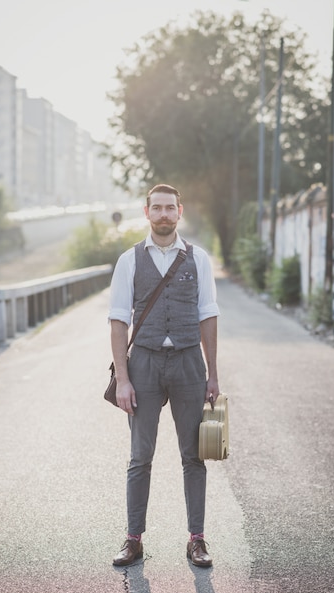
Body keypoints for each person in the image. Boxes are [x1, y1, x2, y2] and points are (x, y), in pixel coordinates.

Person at [108, 183, 220, 568]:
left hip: (189, 362)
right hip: (144, 365)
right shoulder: (129, 260)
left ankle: (197, 540)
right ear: (146, 213)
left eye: (169, 208)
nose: (163, 215)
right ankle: (133, 539)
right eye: (156, 208)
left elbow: (208, 315)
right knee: (141, 457)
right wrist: (123, 379)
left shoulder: (198, 258)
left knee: (194, 456)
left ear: (180, 211)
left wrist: (213, 375)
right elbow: (119, 322)